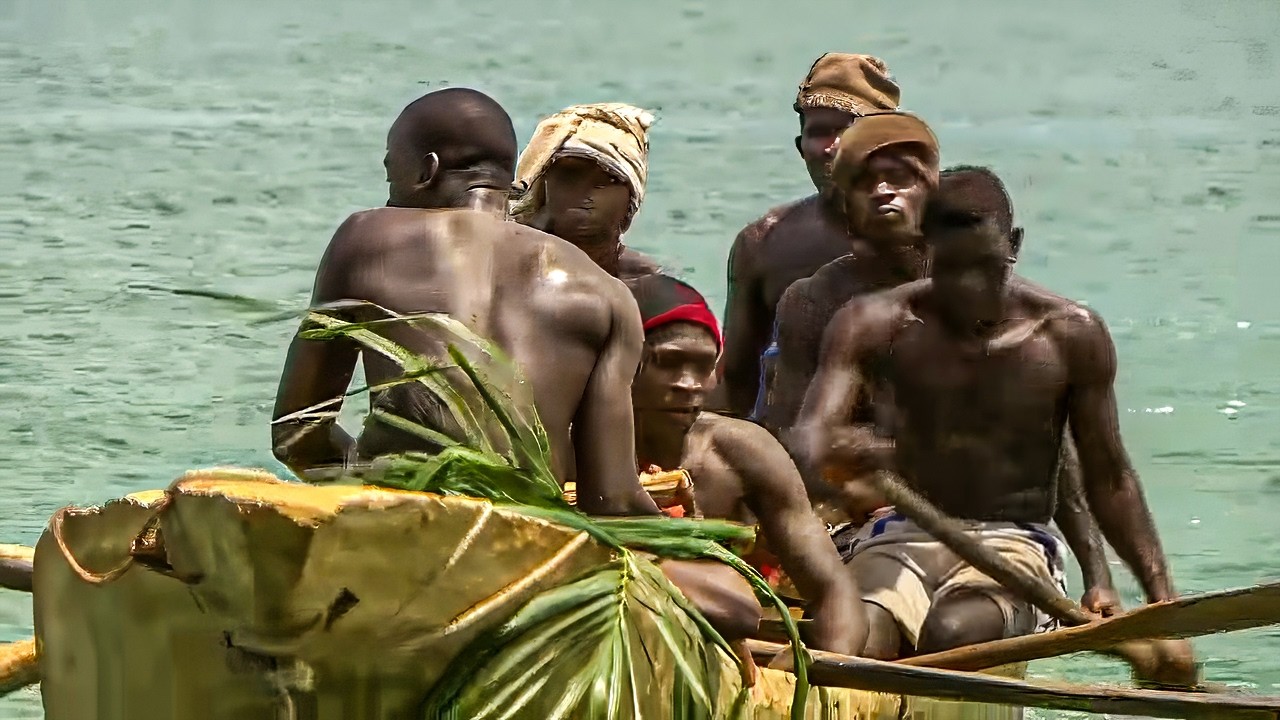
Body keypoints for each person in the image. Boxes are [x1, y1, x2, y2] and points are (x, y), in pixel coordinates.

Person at [787, 169, 1196, 683]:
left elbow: (1108, 477)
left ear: (1015, 245)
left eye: (986, 266)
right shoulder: (876, 322)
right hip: (900, 536)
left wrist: (1166, 611)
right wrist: (842, 448)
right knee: (857, 639)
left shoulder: (1069, 334)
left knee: (953, 633)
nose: (969, 288)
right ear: (925, 251)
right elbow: (807, 439)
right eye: (950, 269)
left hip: (1014, 545)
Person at [270, 88, 658, 517]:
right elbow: (613, 498)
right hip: (530, 532)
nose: (388, 196)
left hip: (403, 520)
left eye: (389, 176)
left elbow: (297, 431)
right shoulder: (608, 294)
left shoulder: (367, 238)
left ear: (426, 170)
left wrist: (368, 476)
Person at [625, 272, 866, 654]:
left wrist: (829, 671)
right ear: (622, 363)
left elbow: (832, 591)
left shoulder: (738, 448)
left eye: (703, 367)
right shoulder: (569, 445)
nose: (690, 384)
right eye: (669, 364)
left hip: (722, 628)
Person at [718, 53, 901, 416]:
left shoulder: (932, 233)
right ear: (800, 147)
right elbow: (736, 378)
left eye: (848, 128)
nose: (833, 146)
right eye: (819, 132)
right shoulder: (764, 242)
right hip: (788, 445)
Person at [759, 112, 939, 442]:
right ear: (846, 208)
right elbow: (792, 435)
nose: (882, 191)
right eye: (864, 182)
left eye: (899, 177)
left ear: (932, 192)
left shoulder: (968, 286)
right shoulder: (815, 300)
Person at [511, 102, 661, 279]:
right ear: (543, 186)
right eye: (571, 175)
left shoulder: (641, 276)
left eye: (610, 179)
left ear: (631, 201)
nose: (588, 192)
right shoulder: (508, 259)